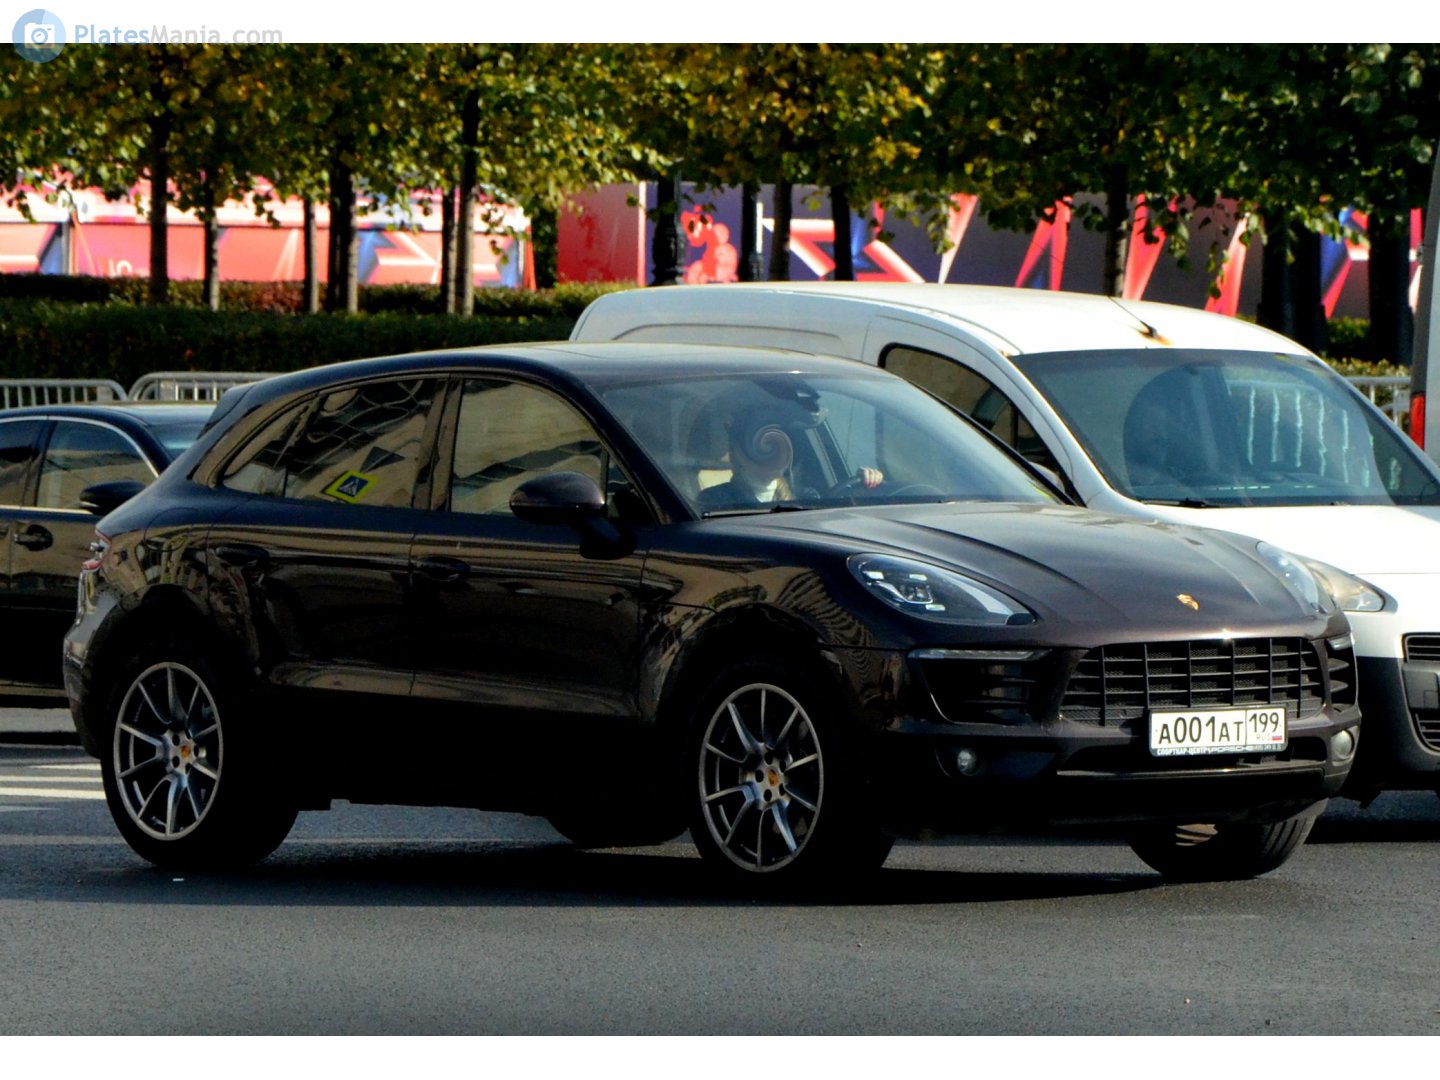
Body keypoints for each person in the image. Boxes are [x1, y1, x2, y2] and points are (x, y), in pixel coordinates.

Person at [697, 405, 883, 511]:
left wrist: (866, 483)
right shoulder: (714, 501)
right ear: (738, 451)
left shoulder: (807, 497)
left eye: (783, 441)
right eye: (766, 442)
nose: (778, 450)